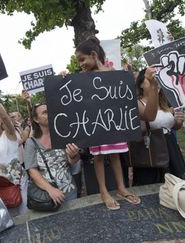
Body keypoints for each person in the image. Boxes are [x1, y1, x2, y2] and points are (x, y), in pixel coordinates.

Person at [74, 36, 141, 210]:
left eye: (82, 59)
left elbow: (123, 95)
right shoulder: (82, 77)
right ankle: (103, 190)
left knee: (116, 155)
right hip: (96, 124)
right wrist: (64, 78)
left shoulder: (112, 72)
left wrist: (129, 77)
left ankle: (121, 187)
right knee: (98, 157)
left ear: (93, 55)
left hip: (113, 123)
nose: (81, 64)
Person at [132, 69, 185, 185]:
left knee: (177, 183)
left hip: (170, 147)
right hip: (151, 151)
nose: (156, 83)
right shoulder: (137, 104)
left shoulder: (164, 104)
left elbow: (172, 127)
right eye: (151, 80)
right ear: (141, 84)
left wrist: (178, 122)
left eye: (158, 81)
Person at [0, 77, 28, 216]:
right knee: (11, 218)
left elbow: (6, 117)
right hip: (2, 186)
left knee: (24, 216)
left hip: (18, 182)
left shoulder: (9, 133)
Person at [24, 103, 80, 205]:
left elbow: (72, 161)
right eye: (45, 112)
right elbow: (32, 171)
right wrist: (50, 190)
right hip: (47, 196)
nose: (49, 114)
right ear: (36, 119)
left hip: (69, 191)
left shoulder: (64, 134)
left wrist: (73, 155)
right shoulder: (31, 142)